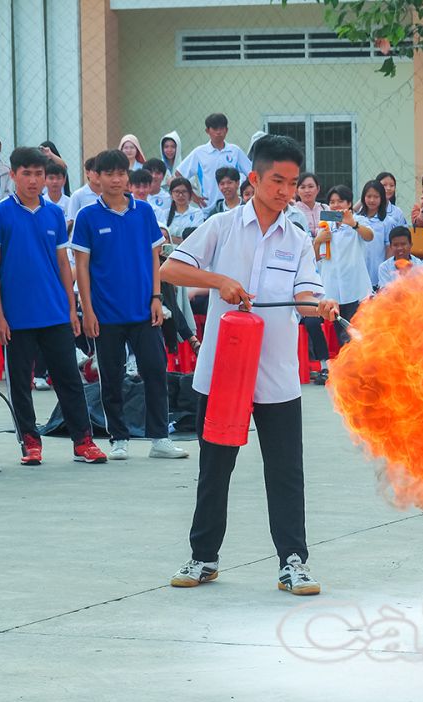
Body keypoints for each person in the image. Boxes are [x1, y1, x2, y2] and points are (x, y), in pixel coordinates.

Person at [160, 134, 339, 594]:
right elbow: (170, 270)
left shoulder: (298, 239)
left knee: (285, 471)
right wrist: (218, 280)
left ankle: (293, 562)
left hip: (277, 375)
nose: (285, 190)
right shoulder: (220, 227)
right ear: (254, 178)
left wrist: (320, 304)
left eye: (292, 182)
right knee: (214, 468)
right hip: (223, 372)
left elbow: (304, 295)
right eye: (277, 180)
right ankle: (203, 558)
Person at [0, 147, 107, 465]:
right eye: (27, 174)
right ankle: (30, 442)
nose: (34, 180)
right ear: (13, 175)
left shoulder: (53, 214)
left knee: (68, 380)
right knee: (21, 383)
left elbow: (64, 265)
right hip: (16, 317)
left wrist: (71, 308)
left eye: (40, 174)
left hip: (55, 314)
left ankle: (83, 441)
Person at [71, 149, 187, 461]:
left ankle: (160, 437)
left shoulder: (144, 212)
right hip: (105, 313)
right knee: (110, 376)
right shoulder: (87, 217)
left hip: (143, 309)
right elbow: (81, 267)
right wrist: (88, 309)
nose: (116, 179)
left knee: (154, 369)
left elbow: (154, 258)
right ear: (96, 177)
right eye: (109, 173)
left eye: (121, 173)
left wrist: (156, 298)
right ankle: (118, 437)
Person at [314, 185, 373, 345]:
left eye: (340, 201)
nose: (336, 205)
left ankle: (359, 367)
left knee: (356, 334)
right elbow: (314, 256)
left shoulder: (358, 220)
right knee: (341, 336)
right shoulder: (325, 224)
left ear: (349, 203)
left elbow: (369, 236)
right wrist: (318, 240)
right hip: (332, 289)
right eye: (332, 202)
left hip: (355, 288)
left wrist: (353, 224)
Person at [176, 113, 252, 207]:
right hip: (208, 209)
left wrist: (247, 193)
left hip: (234, 208)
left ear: (226, 130)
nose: (219, 132)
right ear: (207, 131)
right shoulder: (199, 153)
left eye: (221, 128)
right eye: (215, 129)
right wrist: (193, 196)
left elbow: (252, 174)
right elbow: (179, 174)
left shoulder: (235, 151)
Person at [357, 180, 392, 287]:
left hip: (377, 273)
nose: (372, 200)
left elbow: (389, 248)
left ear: (382, 199)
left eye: (376, 197)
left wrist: (386, 272)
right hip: (358, 272)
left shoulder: (387, 221)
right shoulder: (356, 219)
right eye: (368, 196)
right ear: (363, 198)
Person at [163, 177, 205, 242]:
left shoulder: (197, 213)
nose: (180, 195)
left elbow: (196, 236)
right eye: (177, 191)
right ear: (171, 194)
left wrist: (172, 237)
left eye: (184, 191)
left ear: (190, 194)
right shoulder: (165, 214)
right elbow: (163, 237)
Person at [66, 157, 101, 231]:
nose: (98, 174)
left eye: (101, 171)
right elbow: (71, 222)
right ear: (87, 173)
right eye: (95, 171)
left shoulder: (109, 194)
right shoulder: (78, 195)